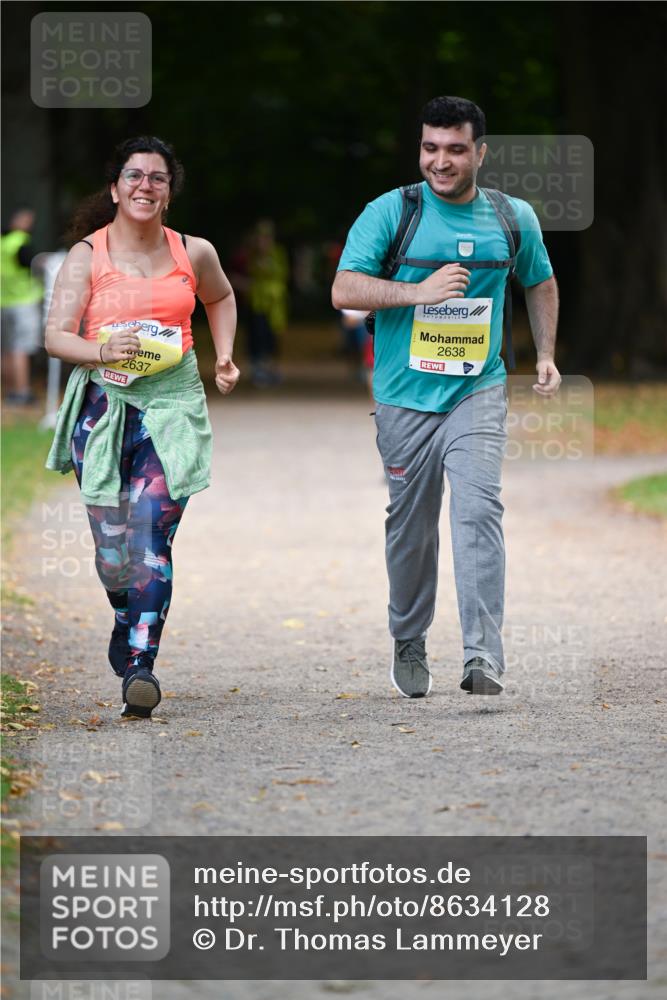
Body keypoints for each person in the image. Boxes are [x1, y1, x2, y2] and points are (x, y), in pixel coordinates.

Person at [332, 96, 561, 699]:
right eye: (431, 148)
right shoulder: (392, 212)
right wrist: (418, 293)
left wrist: (544, 354)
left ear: (480, 152)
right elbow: (343, 288)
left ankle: (483, 655)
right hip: (404, 396)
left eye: (456, 149)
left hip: (477, 388)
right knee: (412, 528)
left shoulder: (512, 217)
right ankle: (408, 638)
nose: (441, 160)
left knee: (478, 509)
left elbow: (539, 280)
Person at [44, 136, 240, 718]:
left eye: (157, 178)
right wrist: (101, 351)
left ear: (168, 192)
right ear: (115, 188)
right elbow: (56, 337)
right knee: (114, 555)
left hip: (173, 405)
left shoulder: (193, 252)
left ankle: (140, 665)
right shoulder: (88, 254)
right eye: (134, 176)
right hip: (102, 407)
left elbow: (222, 297)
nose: (145, 186)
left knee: (150, 539)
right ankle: (124, 614)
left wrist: (223, 355)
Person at [1, 208, 43, 404]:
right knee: (21, 348)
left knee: (8, 348)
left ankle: (10, 391)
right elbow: (32, 266)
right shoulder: (21, 242)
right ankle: (22, 391)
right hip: (23, 301)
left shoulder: (4, 242)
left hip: (5, 301)